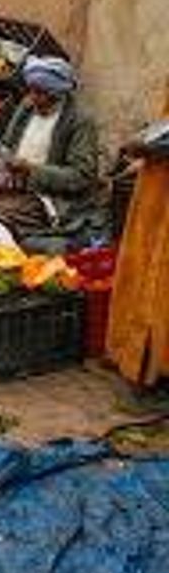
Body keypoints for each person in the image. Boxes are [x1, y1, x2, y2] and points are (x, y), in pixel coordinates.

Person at [0, 56, 99, 241]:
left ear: (58, 93)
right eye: (31, 91)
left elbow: (82, 177)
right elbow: (7, 145)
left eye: (41, 93)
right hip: (8, 183)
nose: (33, 98)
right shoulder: (27, 107)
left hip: (45, 197)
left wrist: (31, 169)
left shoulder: (79, 121)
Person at [107, 82, 169, 387]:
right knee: (147, 276)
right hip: (156, 193)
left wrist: (146, 147)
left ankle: (155, 363)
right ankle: (142, 357)